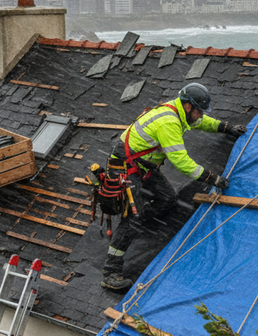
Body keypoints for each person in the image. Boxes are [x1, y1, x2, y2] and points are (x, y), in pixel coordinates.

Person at [100, 83, 246, 292]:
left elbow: (201, 122)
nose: (199, 116)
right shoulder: (168, 122)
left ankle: (142, 222)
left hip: (143, 166)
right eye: (198, 111)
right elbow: (181, 161)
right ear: (188, 107)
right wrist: (211, 178)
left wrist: (225, 127)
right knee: (132, 218)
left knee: (167, 198)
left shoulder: (178, 110)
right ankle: (110, 271)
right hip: (125, 168)